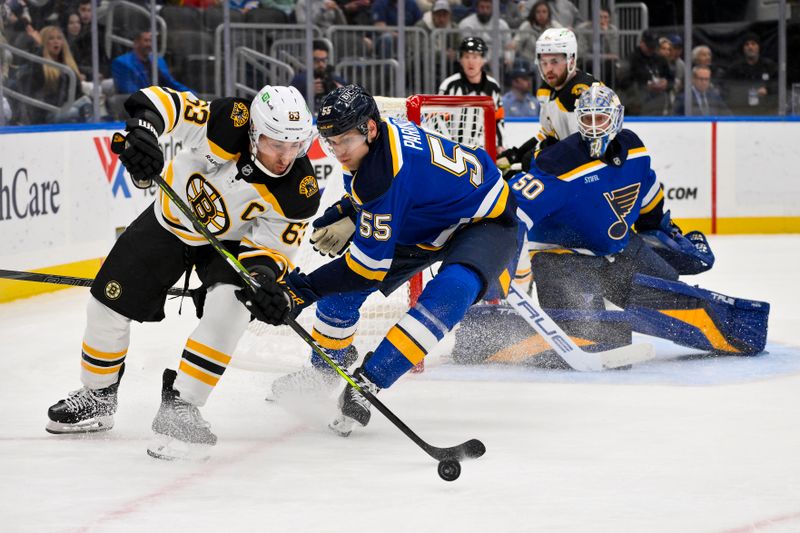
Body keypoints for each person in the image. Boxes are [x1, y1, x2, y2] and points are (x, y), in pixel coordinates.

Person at [45, 85, 320, 461]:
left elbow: (273, 249)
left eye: (295, 146)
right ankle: (99, 395)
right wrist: (144, 131)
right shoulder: (229, 121)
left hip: (228, 245)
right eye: (276, 144)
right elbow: (163, 104)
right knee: (105, 305)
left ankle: (182, 404)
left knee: (232, 308)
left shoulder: (298, 190)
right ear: (254, 132)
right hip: (169, 221)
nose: (285, 157)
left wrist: (262, 280)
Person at [246, 84, 519, 436]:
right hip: (426, 217)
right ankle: (326, 368)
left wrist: (301, 290)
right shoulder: (376, 140)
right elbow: (401, 188)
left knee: (453, 290)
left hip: (486, 219)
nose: (338, 150)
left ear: (369, 129)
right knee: (340, 292)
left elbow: (364, 270)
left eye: (345, 140)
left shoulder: (382, 172)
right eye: (330, 141)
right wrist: (349, 209)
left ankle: (370, 381)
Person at [455, 84, 768, 365]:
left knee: (675, 296)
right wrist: (507, 271)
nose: (593, 127)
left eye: (600, 119)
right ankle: (482, 341)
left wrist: (666, 235)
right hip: (562, 259)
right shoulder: (558, 162)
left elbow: (649, 201)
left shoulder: (634, 149)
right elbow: (511, 211)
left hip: (620, 251)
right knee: (596, 334)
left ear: (616, 119)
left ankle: (734, 331)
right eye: (587, 119)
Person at [496, 28, 598, 177]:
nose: (548, 69)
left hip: (588, 173)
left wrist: (539, 158)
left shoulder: (583, 93)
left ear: (571, 60)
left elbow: (583, 149)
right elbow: (546, 134)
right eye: (543, 63)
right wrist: (517, 154)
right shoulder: (547, 90)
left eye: (554, 62)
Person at [15, 25, 93, 124]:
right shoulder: (39, 65)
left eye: (59, 38)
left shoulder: (67, 65)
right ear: (44, 42)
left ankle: (90, 132)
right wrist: (40, 48)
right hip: (47, 113)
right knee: (73, 111)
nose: (56, 41)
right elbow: (36, 95)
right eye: (51, 38)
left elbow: (77, 93)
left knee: (86, 101)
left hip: (66, 107)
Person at [438, 36, 506, 149]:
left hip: (482, 150)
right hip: (453, 149)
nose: (470, 62)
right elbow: (438, 120)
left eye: (475, 57)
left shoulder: (493, 87)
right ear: (460, 60)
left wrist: (500, 145)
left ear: (483, 60)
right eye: (466, 57)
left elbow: (498, 120)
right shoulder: (449, 86)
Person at [111, 30, 191, 95]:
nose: (149, 44)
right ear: (136, 43)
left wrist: (191, 95)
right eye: (146, 41)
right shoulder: (121, 63)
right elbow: (131, 91)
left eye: (151, 41)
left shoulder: (159, 60)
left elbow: (172, 83)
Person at [724, 32, 778, 115]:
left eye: (753, 44)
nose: (750, 47)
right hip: (742, 111)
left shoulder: (769, 66)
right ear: (743, 48)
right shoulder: (735, 68)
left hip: (766, 111)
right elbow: (728, 88)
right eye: (747, 44)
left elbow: (779, 84)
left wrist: (767, 90)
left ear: (758, 47)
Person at [289, 39, 348, 109]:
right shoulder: (300, 80)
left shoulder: (336, 80)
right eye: (316, 60)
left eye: (324, 60)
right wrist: (310, 95)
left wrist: (343, 93)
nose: (321, 64)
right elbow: (291, 107)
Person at [627, 29, 673, 115]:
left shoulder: (660, 59)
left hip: (660, 101)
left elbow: (670, 78)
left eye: (653, 47)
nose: (651, 49)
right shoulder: (632, 60)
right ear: (642, 43)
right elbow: (626, 83)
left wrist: (666, 83)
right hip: (639, 104)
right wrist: (646, 85)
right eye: (649, 47)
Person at [458, 0, 513, 68]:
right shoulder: (466, 24)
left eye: (488, 7)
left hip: (499, 64)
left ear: (492, 8)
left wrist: (508, 59)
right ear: (477, 8)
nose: (485, 10)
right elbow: (467, 49)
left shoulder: (502, 24)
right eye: (482, 7)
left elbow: (508, 46)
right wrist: (485, 61)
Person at [414, 0, 460, 83]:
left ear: (450, 16)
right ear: (432, 15)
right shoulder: (421, 26)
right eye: (438, 15)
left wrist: (455, 54)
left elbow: (460, 47)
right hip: (426, 65)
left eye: (444, 15)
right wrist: (443, 54)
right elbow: (421, 52)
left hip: (447, 64)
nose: (442, 19)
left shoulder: (454, 27)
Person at [512, 0, 562, 68]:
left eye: (544, 12)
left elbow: (564, 35)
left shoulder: (554, 25)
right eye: (538, 12)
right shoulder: (527, 25)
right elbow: (516, 42)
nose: (541, 15)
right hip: (528, 63)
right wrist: (513, 45)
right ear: (533, 13)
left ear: (549, 13)